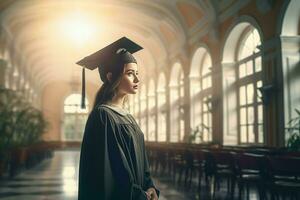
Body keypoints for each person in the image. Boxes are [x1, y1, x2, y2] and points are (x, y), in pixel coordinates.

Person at [77, 37, 159, 200]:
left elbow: (142, 161)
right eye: (130, 74)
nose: (137, 79)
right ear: (110, 77)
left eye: (137, 73)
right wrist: (139, 195)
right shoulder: (103, 116)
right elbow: (110, 171)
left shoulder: (127, 116)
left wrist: (149, 186)